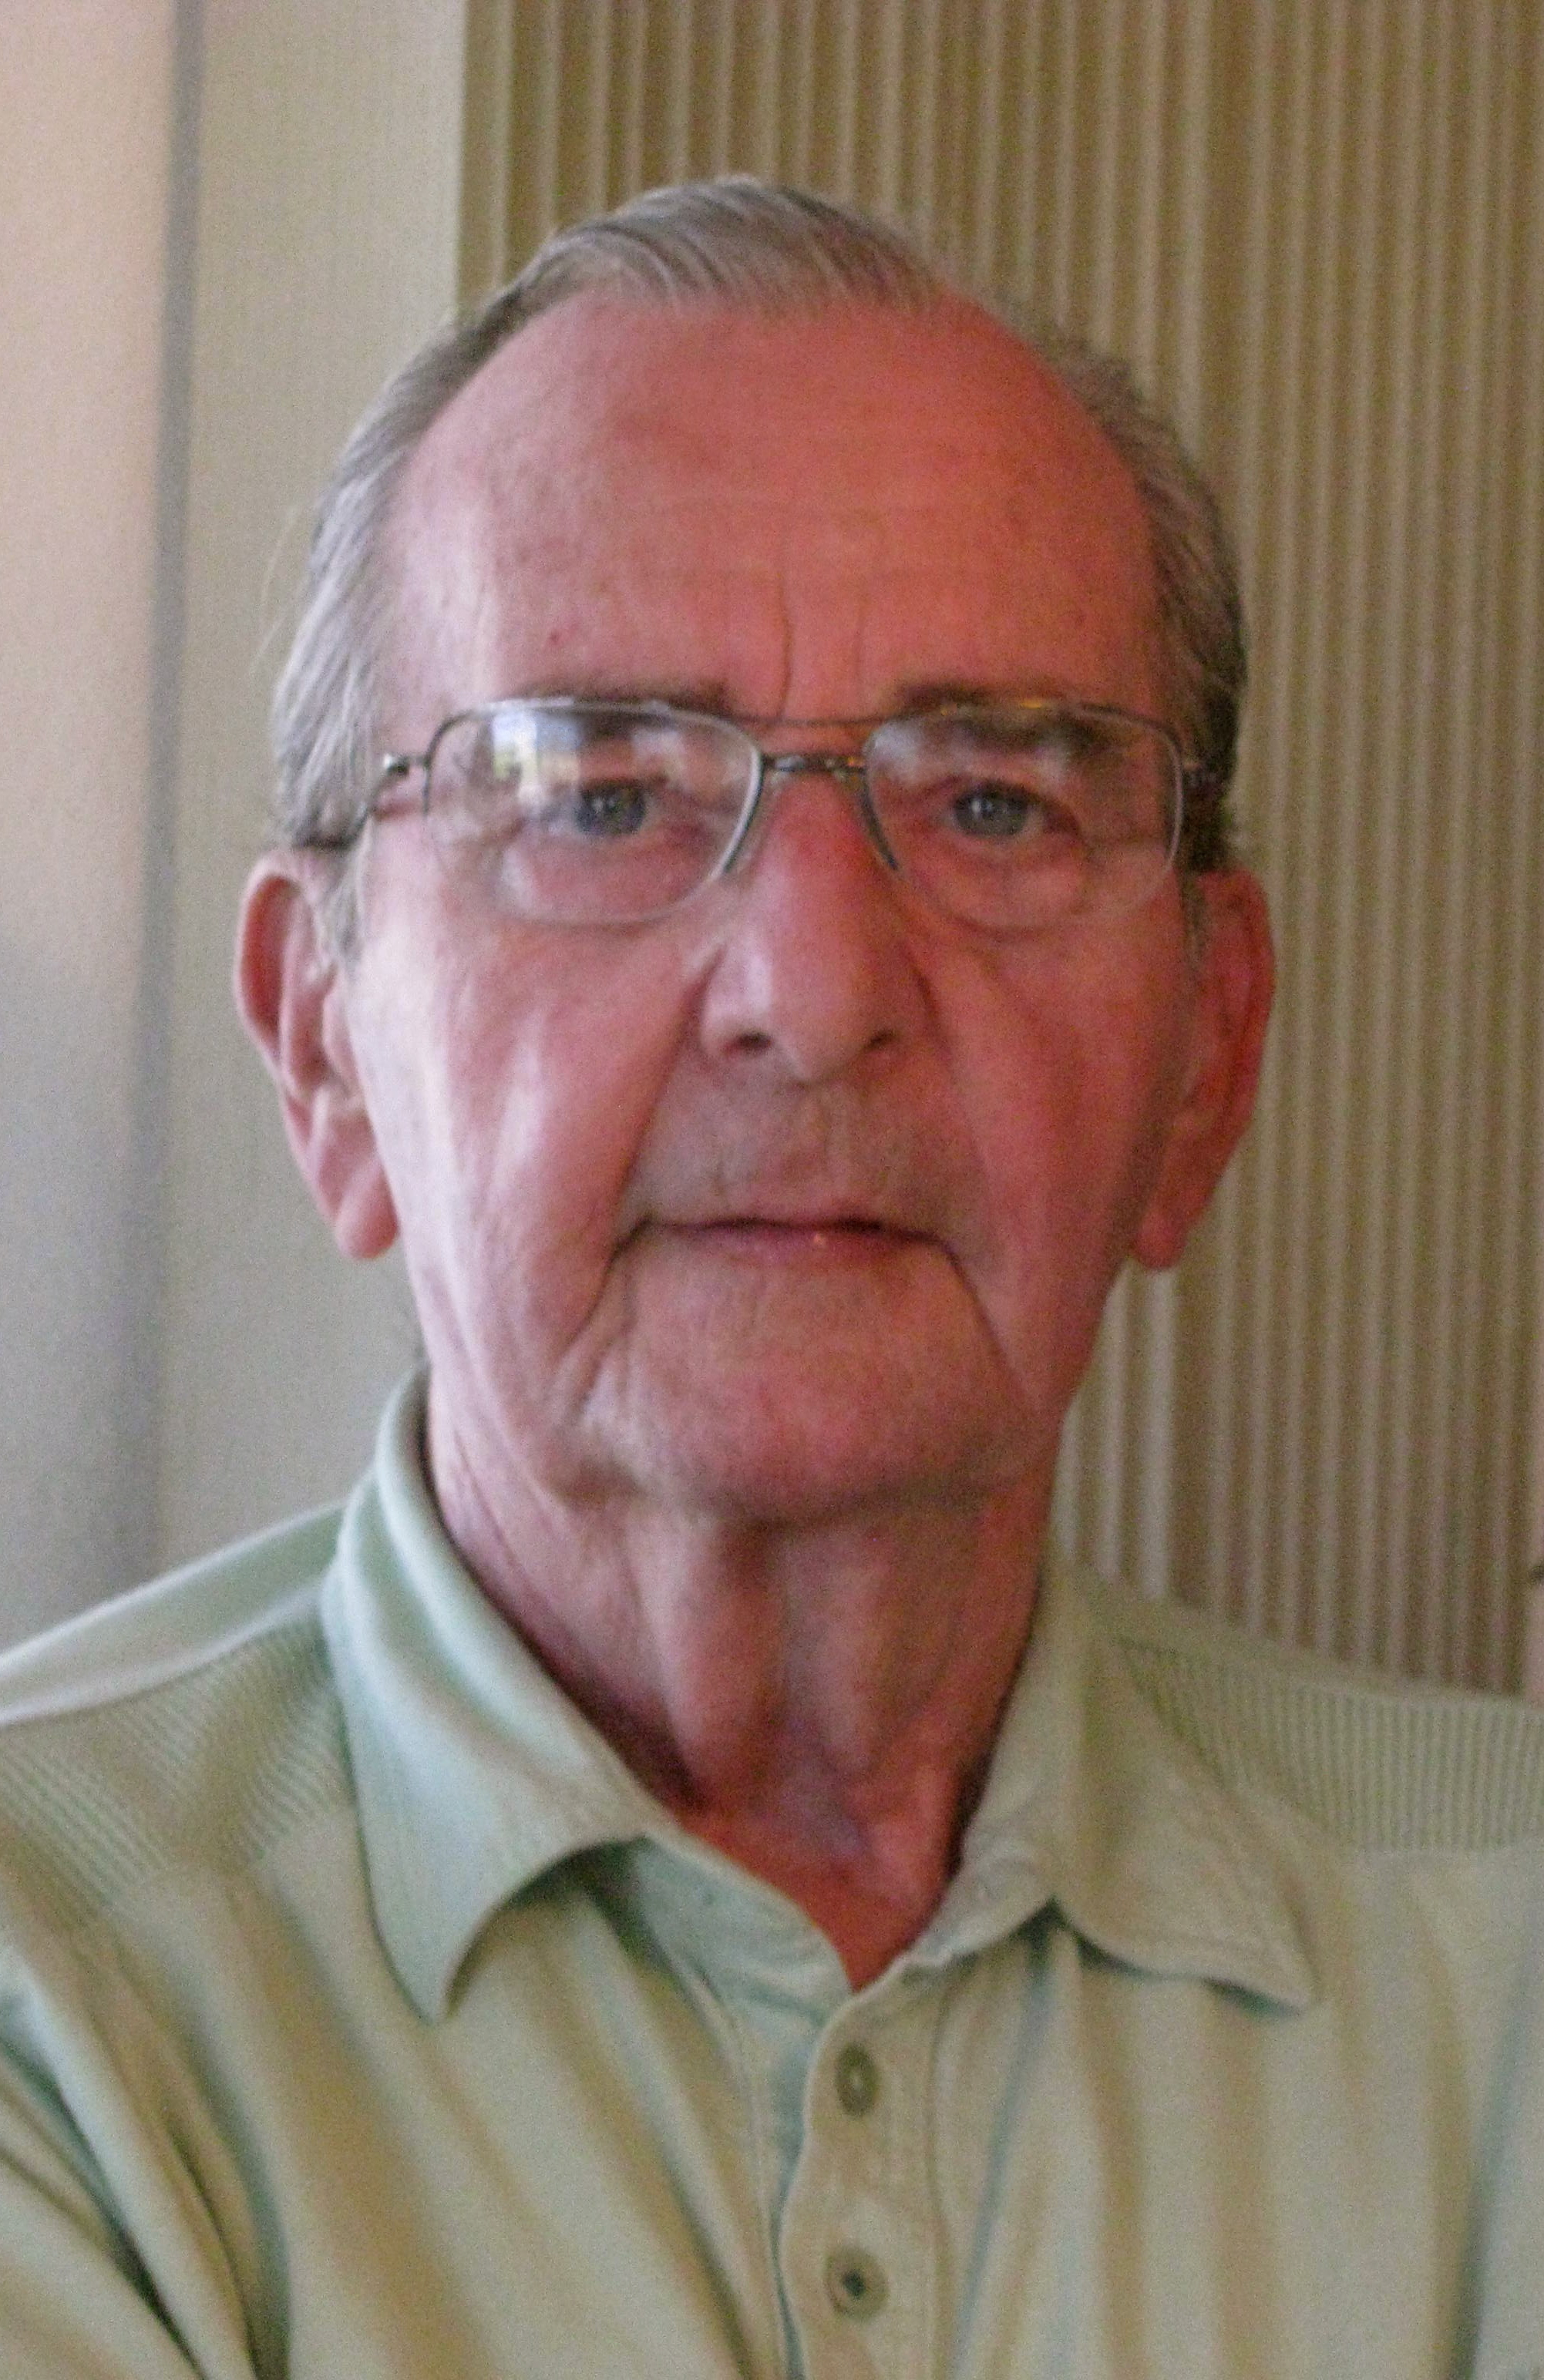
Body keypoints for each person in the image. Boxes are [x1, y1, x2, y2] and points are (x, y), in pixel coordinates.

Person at [0, 179, 1539, 2379]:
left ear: (1206, 1060)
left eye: (994, 803)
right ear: (325, 1045)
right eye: (600, 794)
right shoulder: (50, 1999)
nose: (813, 995)